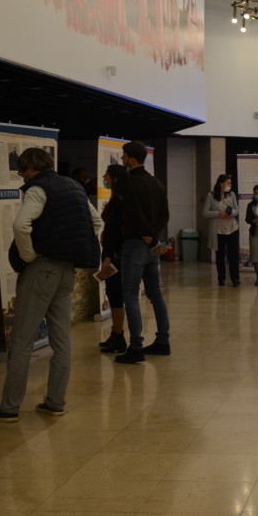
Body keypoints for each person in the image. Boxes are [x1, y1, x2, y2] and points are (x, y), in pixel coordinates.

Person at [0, 147, 102, 422]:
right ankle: (55, 401)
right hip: (66, 271)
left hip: (42, 270)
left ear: (30, 168)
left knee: (22, 342)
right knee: (62, 340)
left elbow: (21, 225)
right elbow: (97, 222)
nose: (23, 176)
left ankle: (9, 407)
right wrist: (70, 247)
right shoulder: (73, 186)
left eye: (22, 171)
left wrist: (29, 256)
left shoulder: (38, 189)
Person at [113, 140, 171, 364]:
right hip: (152, 245)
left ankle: (136, 346)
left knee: (130, 294)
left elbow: (134, 213)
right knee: (155, 293)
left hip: (135, 243)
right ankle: (163, 340)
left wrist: (146, 233)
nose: (122, 159)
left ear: (131, 159)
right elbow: (165, 214)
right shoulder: (156, 182)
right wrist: (153, 236)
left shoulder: (128, 183)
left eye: (123, 155)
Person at [97, 164, 128, 353]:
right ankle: (116, 334)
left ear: (114, 178)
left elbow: (113, 231)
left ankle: (118, 336)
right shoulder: (122, 197)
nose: (104, 177)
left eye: (107, 174)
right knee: (114, 294)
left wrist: (107, 258)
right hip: (118, 252)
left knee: (115, 294)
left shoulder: (117, 200)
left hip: (114, 254)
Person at [202, 174, 241, 287]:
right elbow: (205, 213)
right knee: (220, 255)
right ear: (221, 184)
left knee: (233, 255)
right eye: (228, 183)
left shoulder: (232, 194)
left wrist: (230, 213)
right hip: (218, 230)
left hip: (232, 228)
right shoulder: (211, 195)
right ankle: (221, 278)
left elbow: (236, 209)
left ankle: (235, 278)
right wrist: (218, 213)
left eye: (230, 183)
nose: (230, 185)